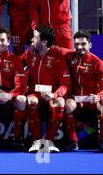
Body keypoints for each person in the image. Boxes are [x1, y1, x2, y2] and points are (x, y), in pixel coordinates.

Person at [22, 25, 71, 153]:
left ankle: (50, 141)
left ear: (44, 41)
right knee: (31, 101)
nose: (32, 39)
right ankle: (37, 141)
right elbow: (16, 64)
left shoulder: (58, 55)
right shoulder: (29, 53)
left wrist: (54, 94)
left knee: (60, 102)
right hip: (35, 92)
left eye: (35, 37)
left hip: (52, 93)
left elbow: (65, 84)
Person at [63, 30, 103, 152]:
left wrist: (99, 96)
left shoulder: (98, 63)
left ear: (90, 45)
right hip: (75, 99)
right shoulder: (69, 57)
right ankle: (74, 142)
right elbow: (55, 49)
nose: (80, 47)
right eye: (77, 44)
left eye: (83, 44)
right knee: (67, 106)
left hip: (92, 100)